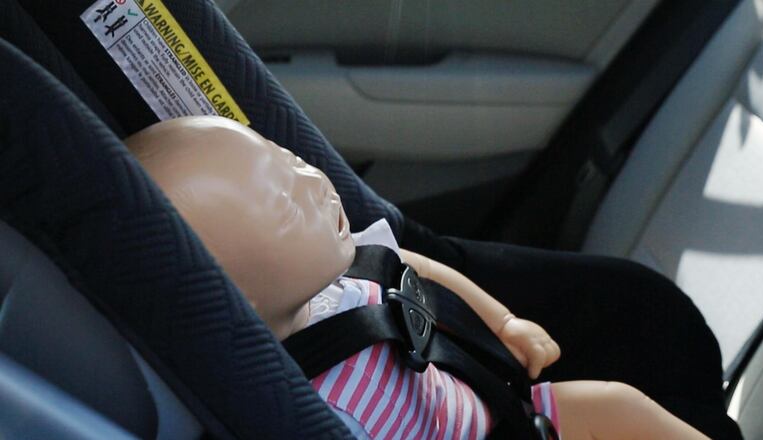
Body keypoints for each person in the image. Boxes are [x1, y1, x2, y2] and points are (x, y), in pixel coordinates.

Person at [124, 116, 728, 439]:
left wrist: (505, 322)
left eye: (294, 162)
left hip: (514, 418)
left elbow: (419, 271)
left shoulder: (344, 272)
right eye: (288, 205)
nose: (315, 184)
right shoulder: (302, 408)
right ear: (236, 300)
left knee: (616, 404)